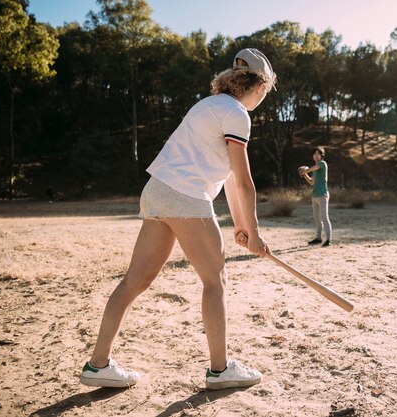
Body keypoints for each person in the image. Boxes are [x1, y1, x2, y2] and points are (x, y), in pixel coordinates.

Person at [79, 48, 277, 390]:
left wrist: (243, 226)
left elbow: (229, 179)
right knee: (215, 282)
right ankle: (220, 370)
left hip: (158, 191)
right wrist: (255, 234)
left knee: (134, 282)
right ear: (260, 86)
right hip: (185, 196)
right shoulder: (238, 114)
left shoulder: (208, 104)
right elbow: (245, 182)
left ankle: (97, 365)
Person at [299, 147, 332, 247]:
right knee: (317, 218)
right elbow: (312, 182)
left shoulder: (322, 163)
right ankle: (318, 238)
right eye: (314, 154)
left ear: (321, 156)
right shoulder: (314, 169)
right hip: (315, 195)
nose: (316, 155)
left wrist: (304, 171)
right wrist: (304, 175)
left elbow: (312, 168)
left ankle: (329, 240)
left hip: (323, 195)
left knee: (324, 218)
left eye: (318, 154)